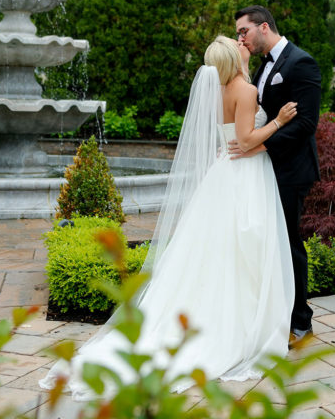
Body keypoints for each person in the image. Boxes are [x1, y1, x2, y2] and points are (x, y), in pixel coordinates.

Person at [39, 36, 299, 400]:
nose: (243, 43)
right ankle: (240, 324)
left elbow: (226, 140)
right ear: (232, 56)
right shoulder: (246, 89)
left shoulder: (218, 89)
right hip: (245, 175)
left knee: (216, 252)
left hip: (222, 174)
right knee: (245, 247)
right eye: (236, 42)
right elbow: (246, 138)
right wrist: (279, 122)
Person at [233, 5, 321, 346]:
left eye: (244, 31)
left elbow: (306, 123)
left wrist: (261, 148)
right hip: (265, 171)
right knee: (270, 245)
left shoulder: (302, 63)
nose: (241, 37)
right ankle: (275, 315)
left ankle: (302, 324)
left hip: (291, 170)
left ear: (264, 27)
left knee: (289, 243)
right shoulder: (261, 67)